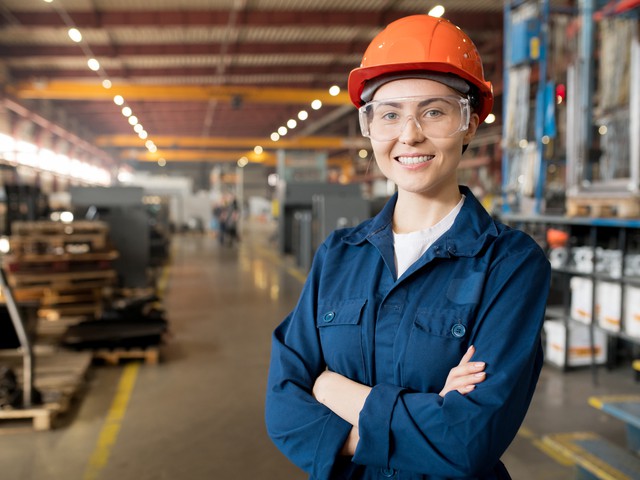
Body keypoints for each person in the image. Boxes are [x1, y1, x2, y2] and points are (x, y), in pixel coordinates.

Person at [265, 14, 550, 480]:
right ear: (370, 126)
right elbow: (283, 409)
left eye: (434, 111)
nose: (409, 134)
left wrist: (333, 389)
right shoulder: (338, 255)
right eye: (390, 114)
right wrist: (430, 409)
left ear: (470, 122)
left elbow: (467, 441)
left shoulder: (511, 263)